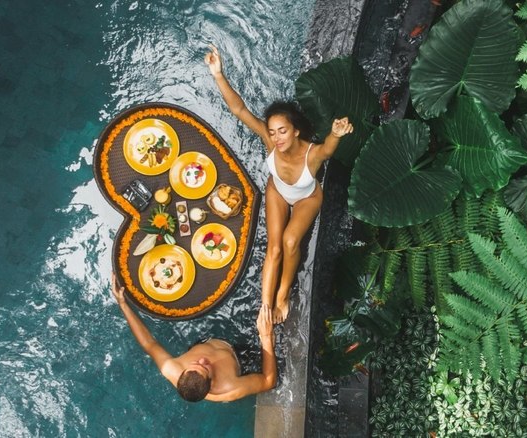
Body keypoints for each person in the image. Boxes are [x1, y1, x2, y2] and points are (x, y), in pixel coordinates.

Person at [204, 44, 353, 324]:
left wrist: (335, 133)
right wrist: (218, 75)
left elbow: (329, 150)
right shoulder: (269, 141)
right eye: (272, 132)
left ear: (296, 131)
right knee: (273, 248)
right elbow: (239, 109)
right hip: (277, 192)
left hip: (307, 197)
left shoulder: (311, 154)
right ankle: (265, 306)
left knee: (289, 241)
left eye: (282, 131)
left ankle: (282, 295)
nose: (277, 138)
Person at [112, 275, 276, 402]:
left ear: (183, 371)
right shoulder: (230, 388)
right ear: (211, 382)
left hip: (213, 337)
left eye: (196, 363)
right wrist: (266, 337)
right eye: (205, 367)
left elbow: (148, 343)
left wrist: (123, 305)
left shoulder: (171, 368)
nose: (203, 360)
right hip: (241, 356)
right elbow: (269, 382)